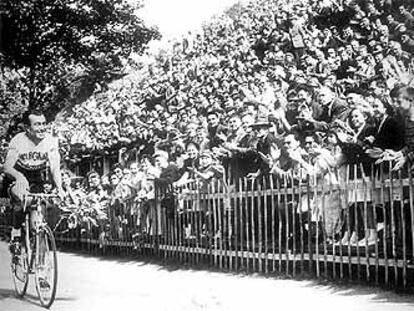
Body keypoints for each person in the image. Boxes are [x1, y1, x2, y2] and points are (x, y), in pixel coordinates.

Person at [4, 109, 64, 288]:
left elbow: (55, 167)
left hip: (37, 178)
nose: (42, 127)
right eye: (37, 124)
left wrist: (59, 188)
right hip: (17, 175)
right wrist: (19, 177)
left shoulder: (51, 141)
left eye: (44, 123)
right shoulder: (18, 141)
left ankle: (42, 268)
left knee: (39, 221)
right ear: (27, 128)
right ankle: (15, 235)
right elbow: (6, 166)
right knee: (21, 200)